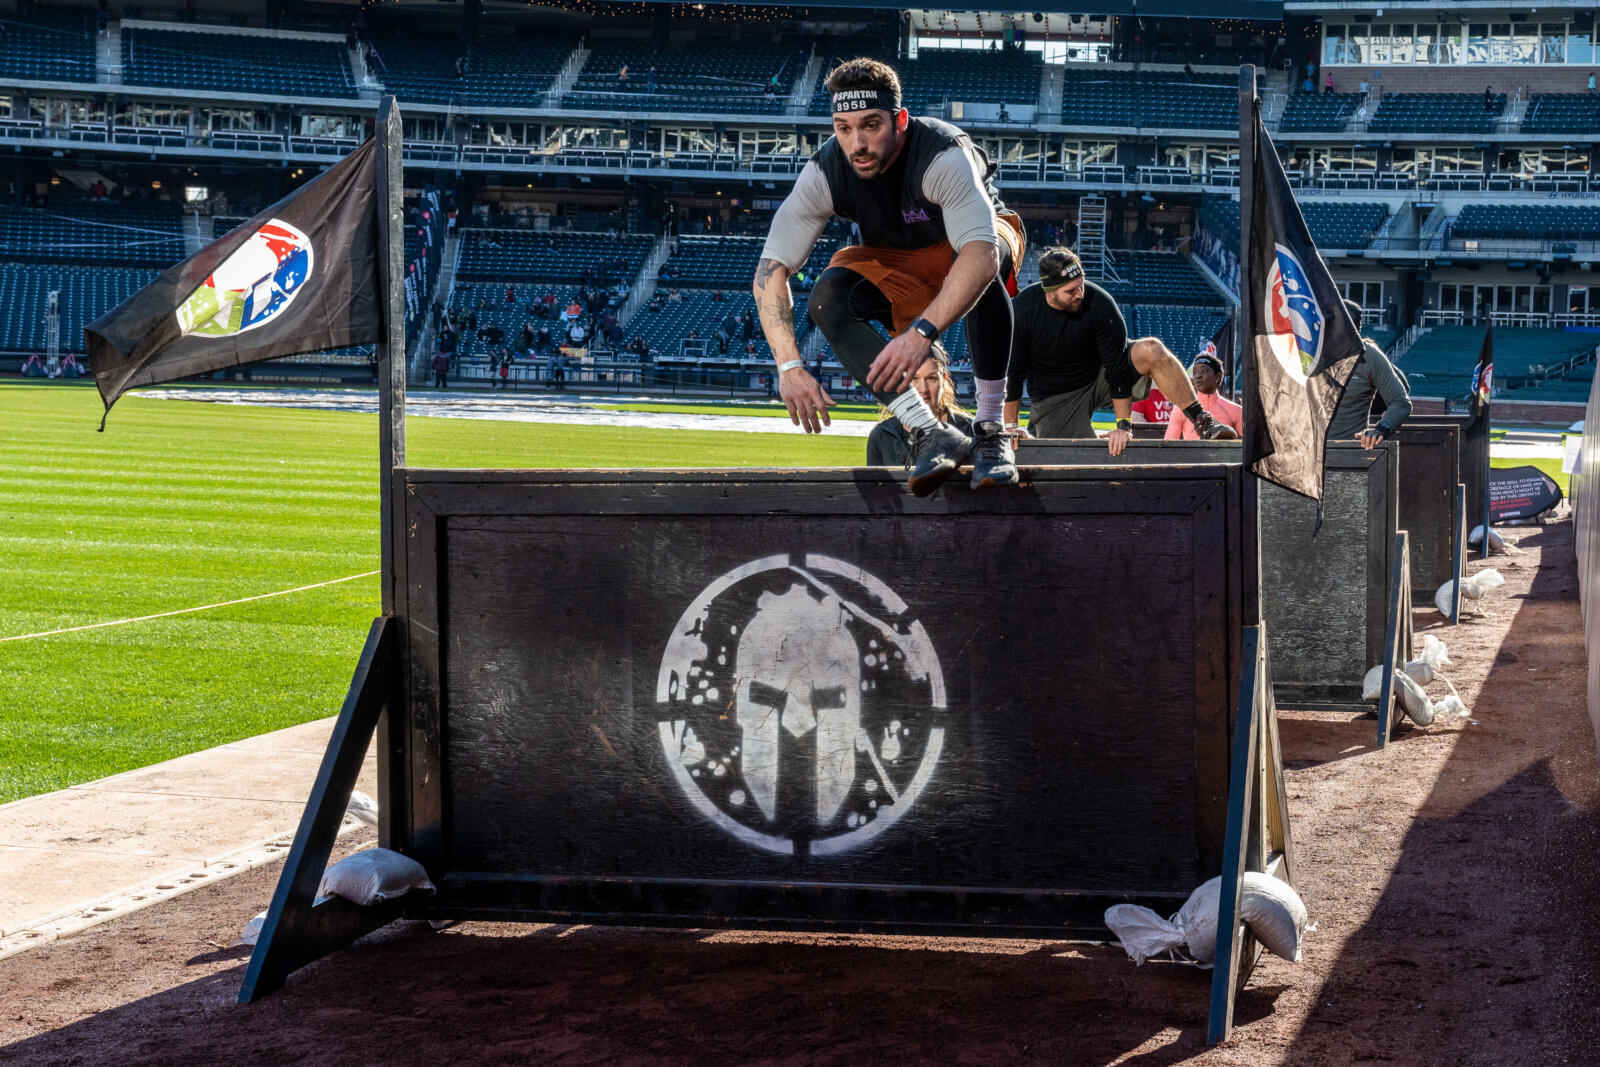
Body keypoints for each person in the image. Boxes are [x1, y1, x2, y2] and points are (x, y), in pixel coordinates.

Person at [753, 57, 1026, 495]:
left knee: (982, 260)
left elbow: (980, 254)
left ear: (900, 120)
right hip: (898, 257)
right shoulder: (826, 171)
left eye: (871, 125)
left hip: (975, 244)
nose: (856, 142)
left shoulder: (940, 154)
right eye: (843, 128)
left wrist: (920, 334)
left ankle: (992, 430)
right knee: (825, 299)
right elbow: (770, 270)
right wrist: (789, 365)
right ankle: (927, 431)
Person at [1003, 248, 1240, 456]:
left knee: (1152, 349)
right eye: (1071, 291)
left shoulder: (1099, 304)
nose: (1080, 294)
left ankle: (1202, 420)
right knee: (1078, 460)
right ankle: (1045, 430)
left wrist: (1123, 427)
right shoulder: (1022, 313)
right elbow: (1012, 375)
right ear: (1050, 291)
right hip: (1056, 399)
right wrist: (1011, 428)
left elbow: (1117, 369)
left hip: (1100, 376)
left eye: (1081, 285)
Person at [866, 344, 974, 467]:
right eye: (914, 378)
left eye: (931, 378)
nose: (923, 389)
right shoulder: (882, 434)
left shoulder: (969, 430)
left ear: (943, 380)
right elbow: (872, 485)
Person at [1328, 300, 1413, 448]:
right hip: (1306, 456)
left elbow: (1401, 402)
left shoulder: (1370, 356)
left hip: (1349, 454)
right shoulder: (1308, 352)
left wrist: (1381, 428)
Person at [1165, 350, 1242, 439]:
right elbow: (1168, 444)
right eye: (1194, 372)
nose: (1197, 376)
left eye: (1204, 371)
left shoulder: (1236, 410)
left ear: (1217, 377)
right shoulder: (1180, 409)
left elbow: (1252, 443)